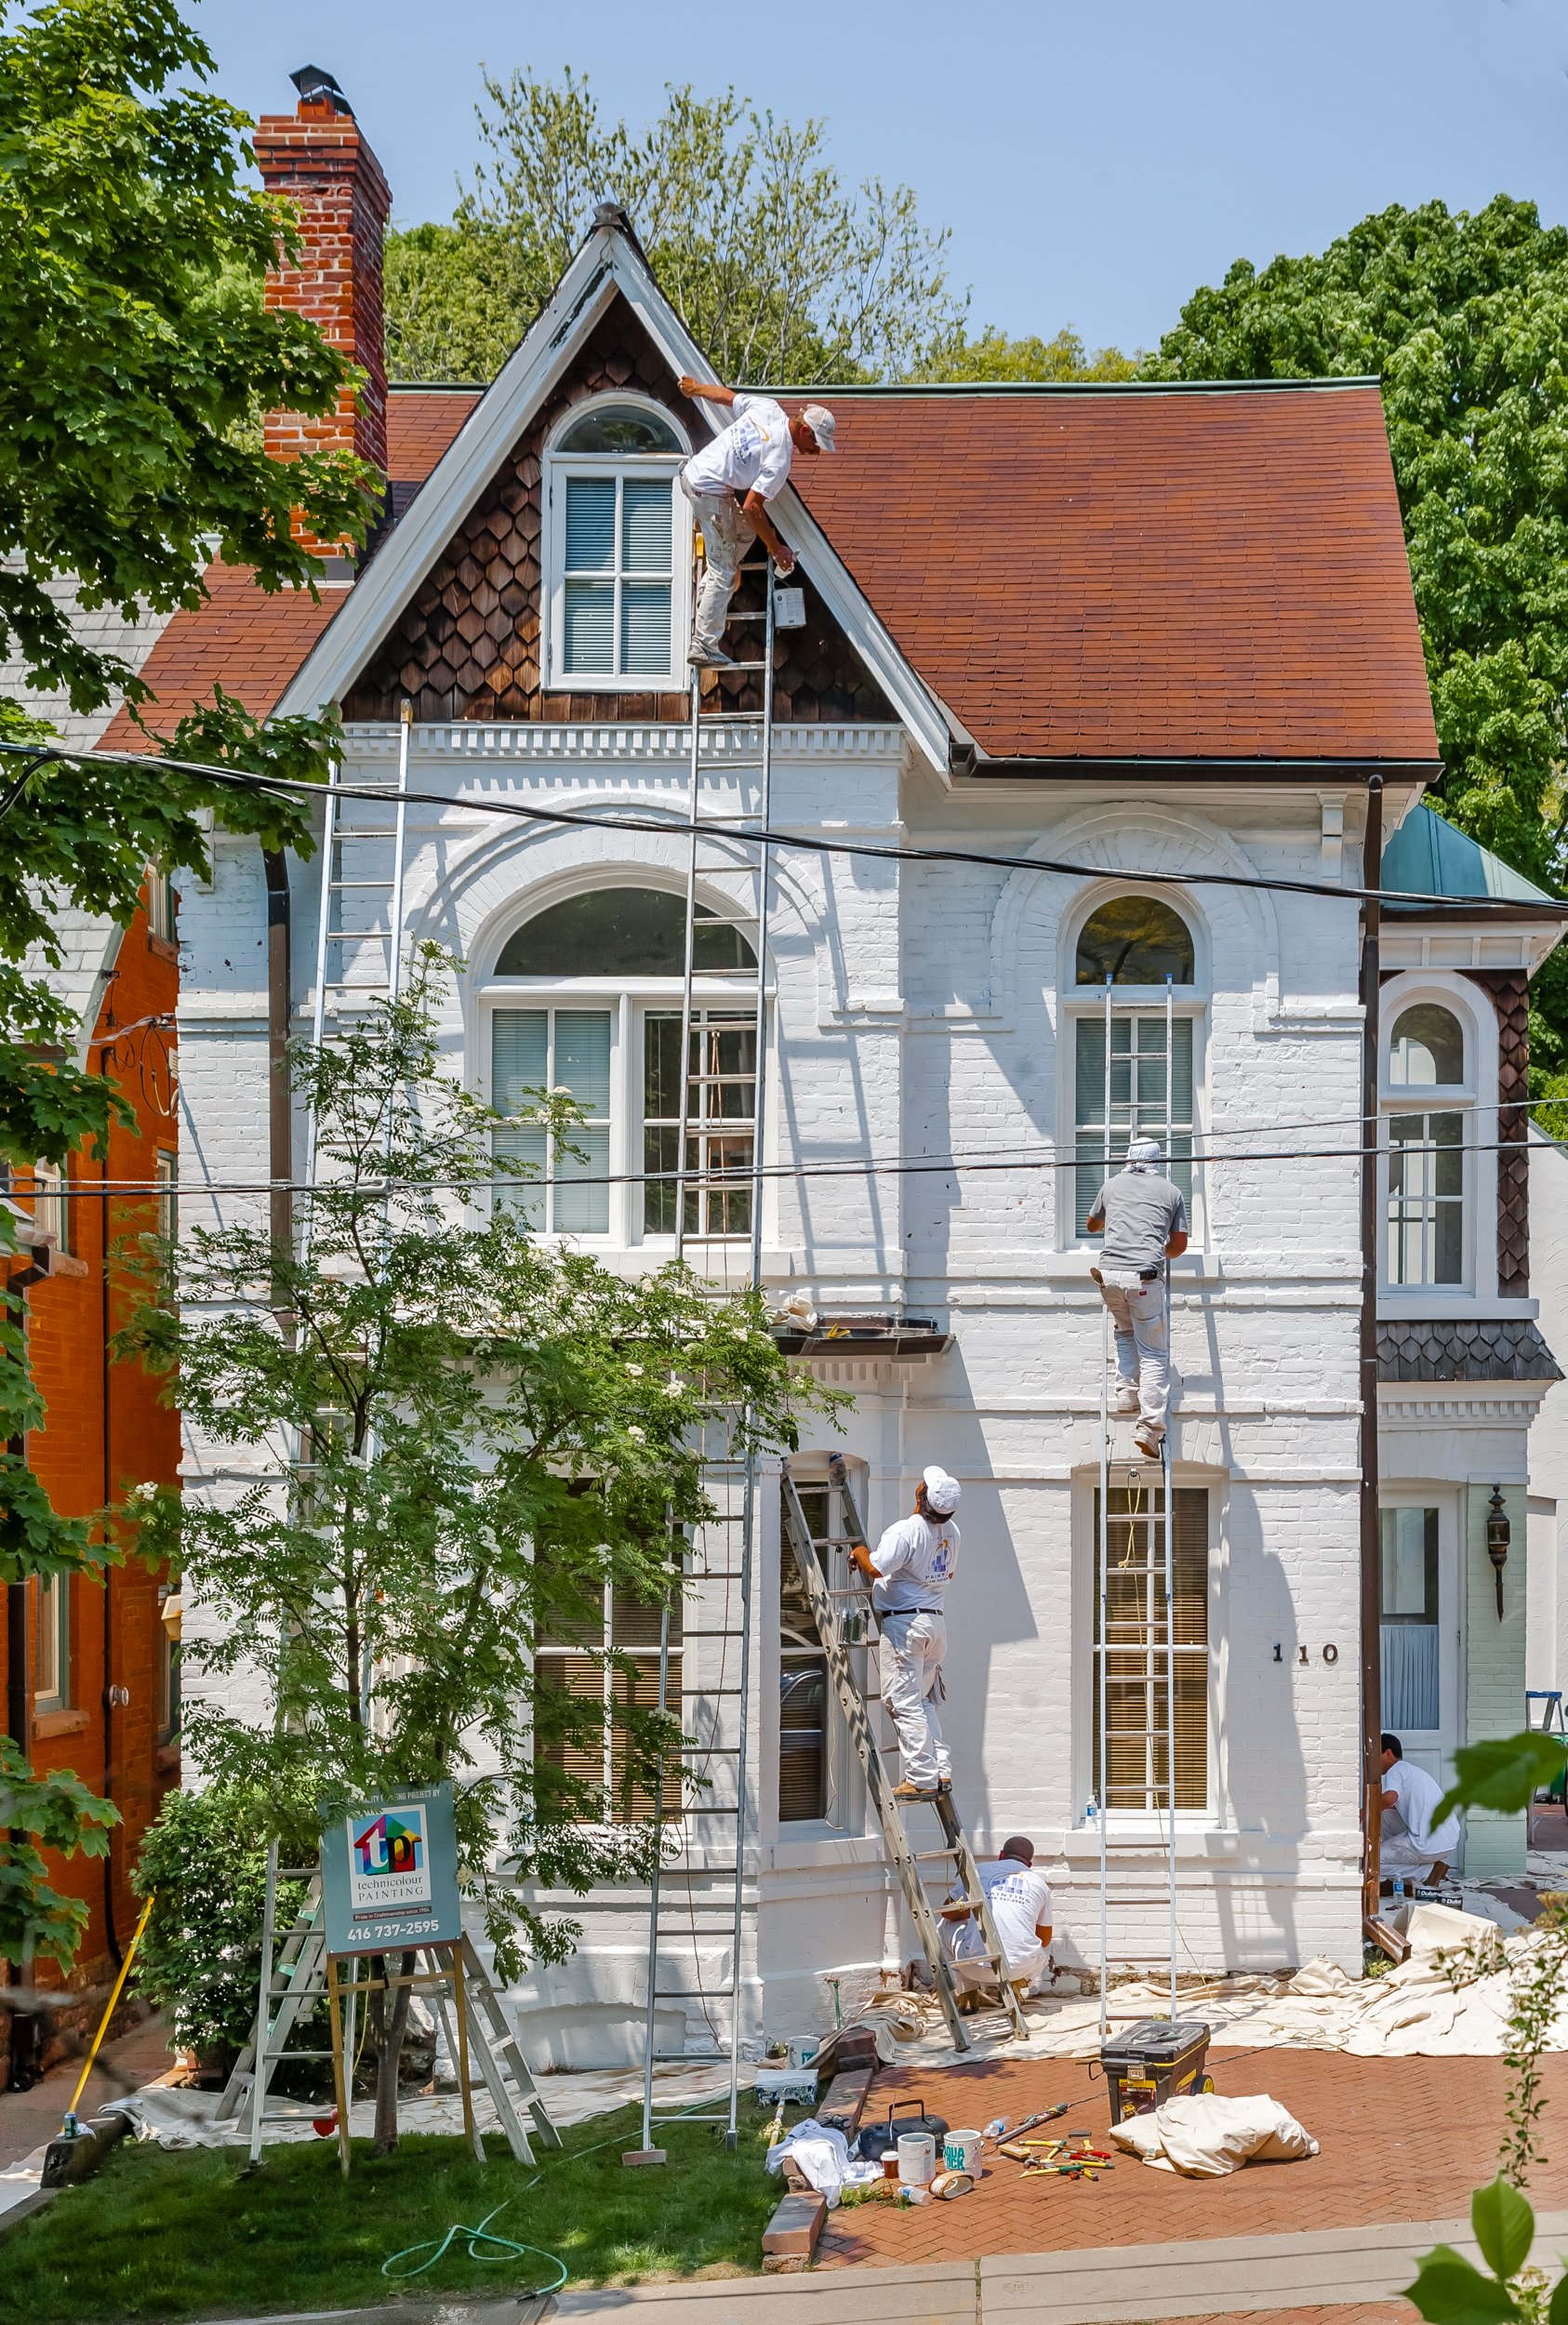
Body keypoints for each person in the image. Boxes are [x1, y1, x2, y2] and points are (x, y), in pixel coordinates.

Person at [677, 377, 837, 669]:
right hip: (710, 492)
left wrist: (695, 389)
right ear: (803, 430)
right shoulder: (780, 460)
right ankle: (703, 644)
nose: (816, 453)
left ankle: (710, 593)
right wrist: (777, 549)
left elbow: (727, 397)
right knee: (724, 569)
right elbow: (752, 505)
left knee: (747, 533)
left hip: (698, 477)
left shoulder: (768, 408)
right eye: (816, 444)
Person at [849, 1465, 961, 1802]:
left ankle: (922, 1778)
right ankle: (940, 1770)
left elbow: (877, 1567)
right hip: (934, 1624)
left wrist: (858, 1552)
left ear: (921, 1495)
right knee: (924, 1701)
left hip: (906, 1626)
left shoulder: (907, 1530)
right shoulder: (953, 1531)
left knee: (901, 1701)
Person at [1085, 1136, 1189, 1460]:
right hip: (1144, 1278)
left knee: (1125, 1330)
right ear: (1157, 1162)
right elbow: (1179, 1246)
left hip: (1108, 1275)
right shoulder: (1171, 1192)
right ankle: (1150, 1428)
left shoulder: (1111, 1184)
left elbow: (1091, 1226)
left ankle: (1126, 1393)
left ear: (1128, 1159)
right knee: (1155, 1353)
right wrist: (1159, 1250)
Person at [941, 1835, 1055, 2008]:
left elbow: (946, 1913)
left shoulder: (977, 1870)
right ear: (1029, 1865)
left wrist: (974, 1910)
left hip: (973, 1967)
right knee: (1041, 1952)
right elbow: (1045, 1939)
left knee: (945, 1926)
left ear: (1001, 1855)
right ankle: (1016, 1985)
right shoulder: (1039, 1884)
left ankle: (967, 1992)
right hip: (1017, 1969)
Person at [1380, 1733, 1460, 1886]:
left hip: (1428, 1843)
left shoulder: (1395, 1771)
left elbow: (1390, 1798)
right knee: (1386, 1816)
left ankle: (1428, 1871)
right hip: (1446, 1838)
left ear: (1388, 1753)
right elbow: (1391, 1808)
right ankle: (1402, 1884)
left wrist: (1364, 1811)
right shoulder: (1410, 1771)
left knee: (1373, 1861)